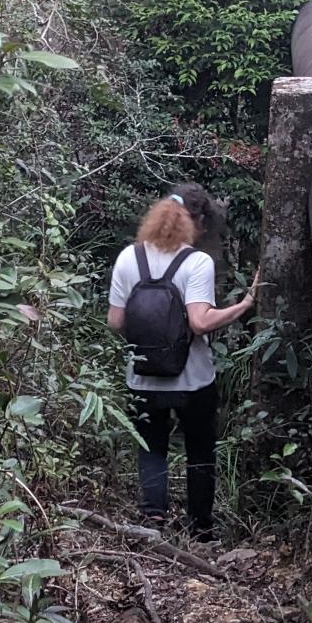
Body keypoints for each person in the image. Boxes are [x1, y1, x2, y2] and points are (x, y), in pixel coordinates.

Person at [106, 189, 259, 540]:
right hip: (192, 379)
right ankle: (201, 528)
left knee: (152, 446)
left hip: (142, 378)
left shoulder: (129, 257)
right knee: (200, 448)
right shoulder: (197, 262)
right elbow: (200, 323)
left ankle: (153, 520)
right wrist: (245, 304)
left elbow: (115, 322)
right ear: (199, 222)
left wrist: (147, 345)